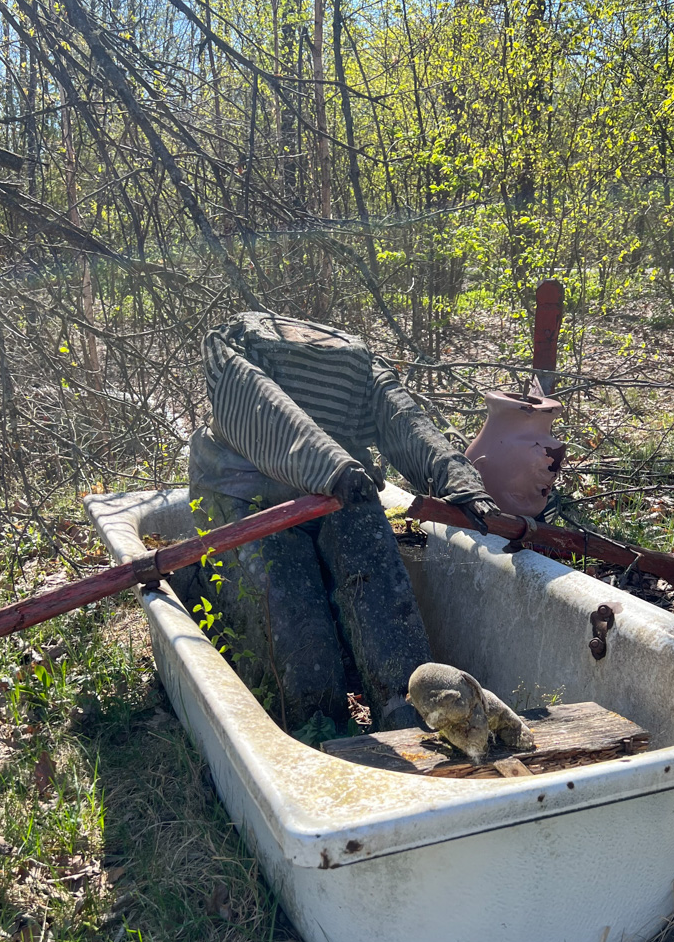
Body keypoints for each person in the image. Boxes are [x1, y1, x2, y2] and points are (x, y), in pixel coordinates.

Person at [187, 311, 500, 733]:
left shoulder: (356, 360)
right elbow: (264, 406)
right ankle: (314, 729)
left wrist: (460, 482)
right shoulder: (236, 347)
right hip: (248, 492)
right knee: (297, 638)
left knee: (387, 610)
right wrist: (331, 468)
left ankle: (408, 720)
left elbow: (404, 419)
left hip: (342, 486)